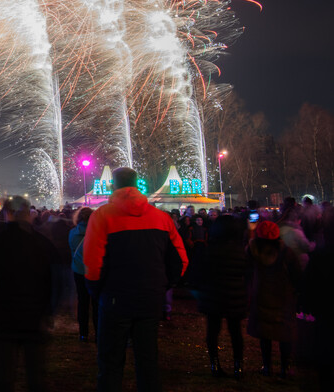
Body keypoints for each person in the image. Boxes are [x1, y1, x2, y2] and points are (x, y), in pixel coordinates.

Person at [83, 167, 188, 392]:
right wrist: (163, 286)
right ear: (137, 183)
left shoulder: (102, 216)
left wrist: (96, 291)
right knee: (148, 361)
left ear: (113, 185)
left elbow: (92, 262)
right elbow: (180, 259)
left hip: (114, 300)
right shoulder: (161, 218)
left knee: (110, 363)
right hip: (150, 299)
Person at [0, 196, 57, 392]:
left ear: (8, 213)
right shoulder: (41, 243)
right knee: (36, 377)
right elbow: (54, 279)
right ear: (27, 213)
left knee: (4, 377)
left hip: (5, 317)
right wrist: (48, 311)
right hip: (35, 317)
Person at [194, 214, 248, 378]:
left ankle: (214, 364)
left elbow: (201, 272)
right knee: (235, 332)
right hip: (234, 295)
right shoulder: (241, 250)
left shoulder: (210, 249)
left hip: (214, 295)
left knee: (213, 331)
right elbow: (245, 272)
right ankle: (238, 366)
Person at [247, 220, 301, 378]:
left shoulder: (252, 251)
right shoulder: (286, 252)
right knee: (285, 333)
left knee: (265, 334)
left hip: (262, 295)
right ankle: (285, 366)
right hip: (283, 297)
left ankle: (267, 366)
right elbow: (297, 275)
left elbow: (247, 272)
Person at [69, 206, 98, 342]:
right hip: (94, 270)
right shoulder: (97, 232)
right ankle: (98, 331)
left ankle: (83, 332)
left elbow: (72, 249)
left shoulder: (73, 233)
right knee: (97, 303)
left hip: (79, 270)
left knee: (83, 302)